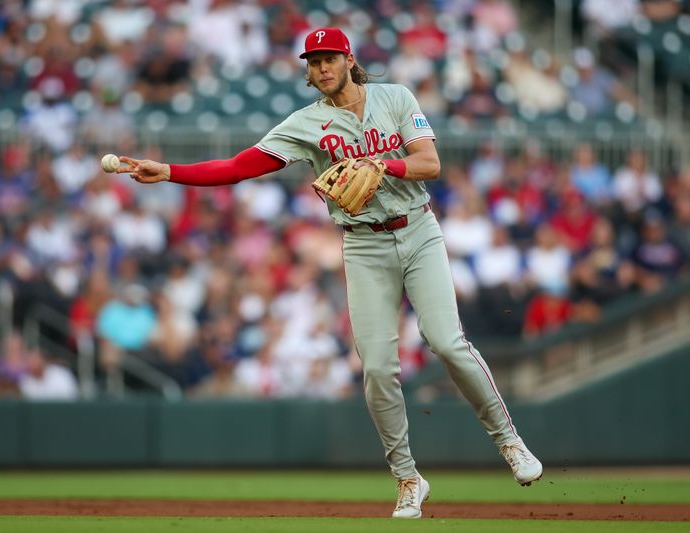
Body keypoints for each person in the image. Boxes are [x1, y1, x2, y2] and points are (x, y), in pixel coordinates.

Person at [116, 27, 542, 519]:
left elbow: (429, 163)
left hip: (420, 231)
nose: (321, 68)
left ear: (348, 59)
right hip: (364, 244)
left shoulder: (396, 97)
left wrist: (383, 166)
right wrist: (169, 171)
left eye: (329, 58)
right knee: (378, 367)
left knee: (446, 341)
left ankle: (509, 442)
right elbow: (237, 167)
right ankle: (407, 478)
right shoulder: (306, 124)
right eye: (313, 61)